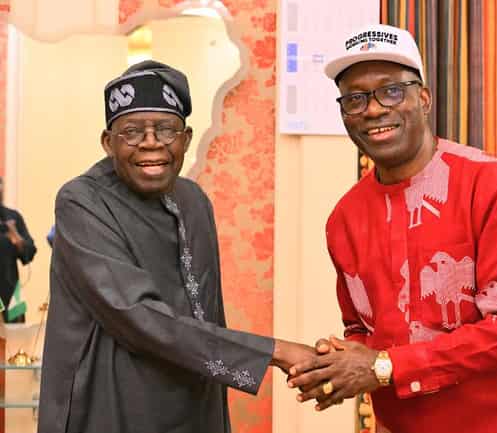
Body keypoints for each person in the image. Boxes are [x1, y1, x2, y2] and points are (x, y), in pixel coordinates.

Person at [288, 24, 497, 433]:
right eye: (355, 99)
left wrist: (383, 366)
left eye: (392, 91)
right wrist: (335, 364)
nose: (373, 109)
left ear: (424, 99)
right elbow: (363, 329)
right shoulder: (345, 219)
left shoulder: (492, 185)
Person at [37, 60, 317, 433]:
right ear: (108, 143)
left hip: (192, 400)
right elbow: (136, 315)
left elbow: (209, 313)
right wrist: (274, 352)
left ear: (185, 139)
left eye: (165, 129)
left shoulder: (194, 200)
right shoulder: (81, 201)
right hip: (111, 403)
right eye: (132, 132)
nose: (151, 142)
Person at [0, 175, 36, 323]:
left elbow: (30, 251)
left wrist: (18, 240)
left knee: (17, 332)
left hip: (11, 290)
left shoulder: (12, 217)